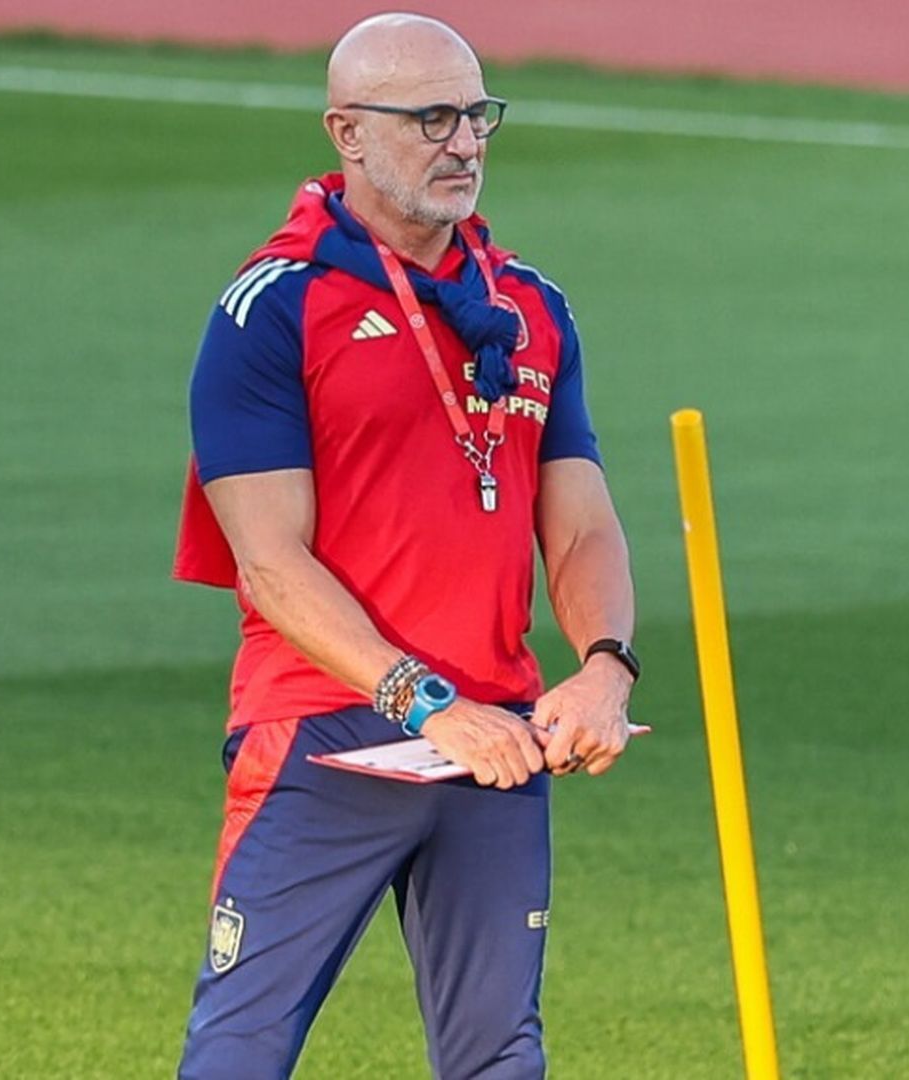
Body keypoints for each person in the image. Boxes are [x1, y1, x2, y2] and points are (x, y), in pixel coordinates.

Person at [169, 12, 640, 1078]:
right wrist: (426, 702)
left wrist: (604, 668)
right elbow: (271, 564)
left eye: (477, 115)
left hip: (497, 737)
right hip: (325, 728)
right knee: (242, 1048)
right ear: (348, 132)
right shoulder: (273, 307)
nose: (464, 143)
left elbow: (580, 524)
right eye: (431, 118)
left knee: (500, 1054)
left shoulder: (529, 308)